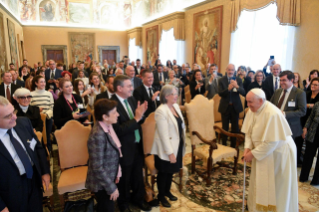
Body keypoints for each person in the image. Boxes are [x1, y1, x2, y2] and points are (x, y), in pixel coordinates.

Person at [242, 89, 298, 212]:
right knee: (260, 183)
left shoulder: (273, 113)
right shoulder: (253, 109)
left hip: (279, 153)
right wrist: (247, 148)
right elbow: (248, 132)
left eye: (250, 102)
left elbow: (272, 142)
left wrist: (252, 154)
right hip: (264, 152)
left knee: (277, 186)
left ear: (260, 101)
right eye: (247, 101)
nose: (248, 105)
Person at [0, 96, 50, 212]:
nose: (15, 117)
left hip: (33, 181)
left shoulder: (23, 123)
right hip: (10, 192)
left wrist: (45, 171)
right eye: (8, 116)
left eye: (14, 112)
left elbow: (38, 148)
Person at [111, 75, 151, 212]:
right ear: (119, 88)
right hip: (124, 148)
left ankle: (139, 199)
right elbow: (117, 130)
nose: (132, 88)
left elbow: (137, 120)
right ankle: (124, 204)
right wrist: (137, 118)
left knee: (137, 175)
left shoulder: (132, 99)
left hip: (137, 144)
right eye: (128, 86)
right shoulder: (112, 104)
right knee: (125, 179)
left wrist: (141, 116)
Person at [151, 85, 186, 208]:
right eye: (174, 94)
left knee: (171, 171)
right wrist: (170, 152)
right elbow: (164, 135)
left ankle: (167, 191)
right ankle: (161, 195)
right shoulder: (161, 110)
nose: (176, 96)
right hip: (165, 148)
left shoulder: (175, 106)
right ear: (166, 96)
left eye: (176, 93)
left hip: (177, 145)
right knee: (164, 172)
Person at [86, 99, 122, 212]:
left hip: (107, 180)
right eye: (114, 112)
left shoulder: (107, 127)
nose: (118, 114)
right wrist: (111, 188)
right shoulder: (98, 135)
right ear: (105, 117)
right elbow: (97, 167)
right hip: (101, 184)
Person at [270, 70, 307, 165]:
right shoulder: (278, 91)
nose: (281, 82)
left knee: (286, 153)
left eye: (284, 80)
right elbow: (271, 105)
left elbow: (302, 111)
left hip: (290, 128)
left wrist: (285, 114)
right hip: (275, 125)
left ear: (292, 80)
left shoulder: (299, 93)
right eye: (280, 80)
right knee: (275, 151)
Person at [218, 64, 245, 148]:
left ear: (234, 71)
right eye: (229, 70)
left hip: (235, 107)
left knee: (235, 128)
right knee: (224, 128)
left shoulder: (239, 80)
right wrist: (228, 89)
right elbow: (220, 93)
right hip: (225, 107)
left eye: (232, 70)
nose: (230, 71)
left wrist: (237, 86)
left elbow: (243, 92)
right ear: (226, 70)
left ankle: (233, 146)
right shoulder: (221, 80)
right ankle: (224, 145)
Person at [30, 75, 54, 153]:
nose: (43, 83)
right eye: (41, 82)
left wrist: (46, 114)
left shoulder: (48, 94)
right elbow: (30, 107)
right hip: (36, 119)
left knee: (47, 136)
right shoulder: (31, 94)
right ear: (36, 83)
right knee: (38, 136)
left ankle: (48, 152)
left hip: (47, 118)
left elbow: (51, 106)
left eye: (44, 82)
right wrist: (38, 113)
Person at [300, 100, 319, 185]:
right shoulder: (317, 104)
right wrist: (305, 128)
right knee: (308, 155)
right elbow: (311, 117)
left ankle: (316, 180)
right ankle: (303, 177)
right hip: (313, 132)